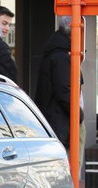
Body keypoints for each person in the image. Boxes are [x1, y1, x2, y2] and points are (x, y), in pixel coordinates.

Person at [34, 15, 86, 169]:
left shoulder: (56, 53)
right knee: (70, 169)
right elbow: (65, 92)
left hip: (59, 120)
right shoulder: (61, 57)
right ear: (74, 29)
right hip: (65, 121)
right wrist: (79, 115)